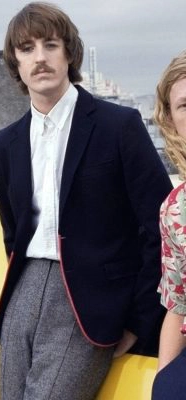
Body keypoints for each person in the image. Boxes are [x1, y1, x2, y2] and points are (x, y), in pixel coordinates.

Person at [0, 3, 173, 399]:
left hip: (91, 301)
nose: (40, 57)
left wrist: (139, 320)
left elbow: (162, 228)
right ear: (15, 62)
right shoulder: (5, 143)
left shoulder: (118, 126)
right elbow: (12, 233)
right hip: (23, 291)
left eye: (50, 45)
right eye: (27, 49)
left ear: (69, 53)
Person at [151, 50, 186, 400]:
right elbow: (178, 307)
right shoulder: (175, 208)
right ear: (171, 120)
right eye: (184, 106)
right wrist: (163, 381)